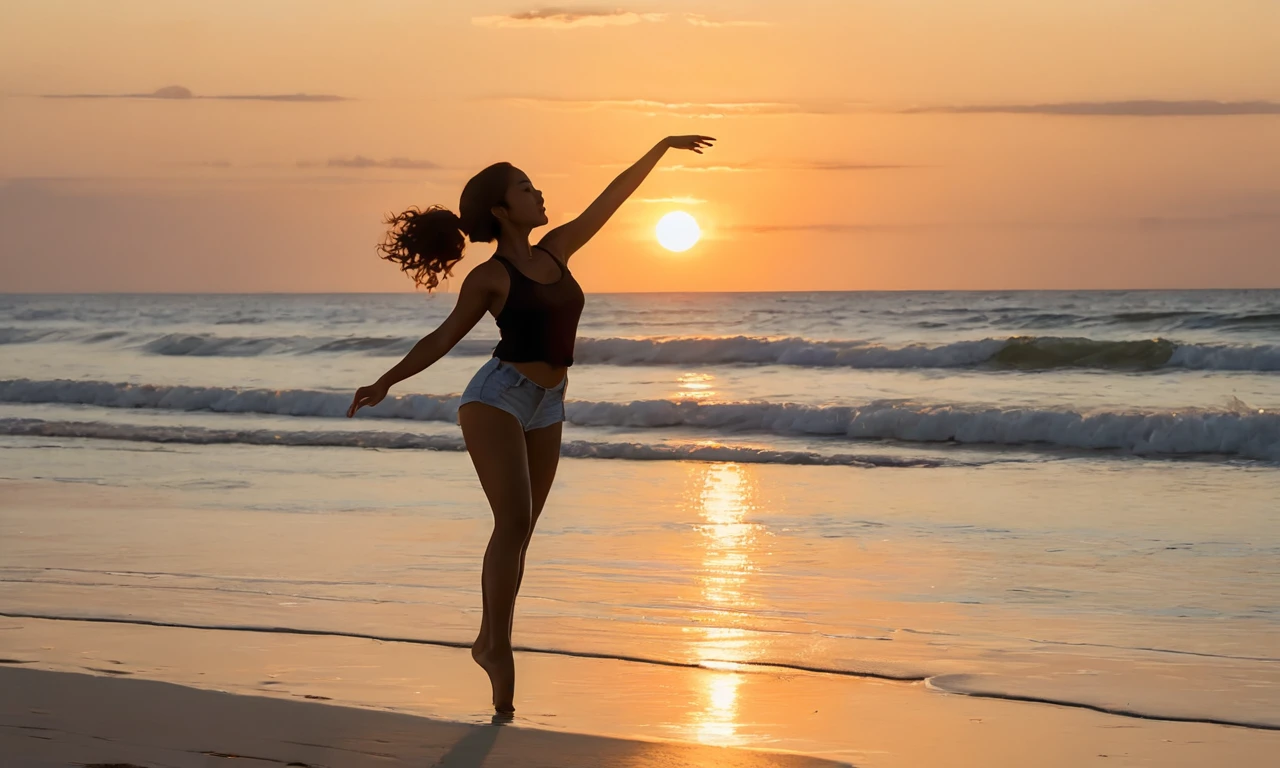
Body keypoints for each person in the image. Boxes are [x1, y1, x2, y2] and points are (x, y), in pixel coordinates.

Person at [346, 135, 716, 713]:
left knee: (522, 533)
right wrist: (387, 381)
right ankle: (496, 644)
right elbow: (443, 338)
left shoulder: (557, 250)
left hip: (549, 402)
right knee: (512, 522)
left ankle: (492, 641)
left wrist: (660, 148)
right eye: (524, 186)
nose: (537, 191)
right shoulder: (489, 278)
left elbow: (610, 200)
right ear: (501, 209)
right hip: (497, 399)